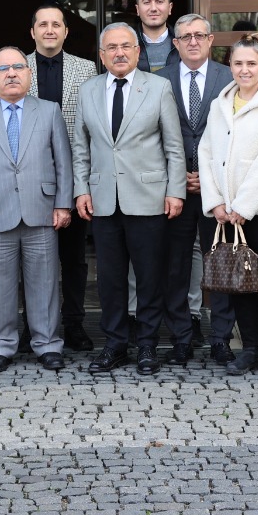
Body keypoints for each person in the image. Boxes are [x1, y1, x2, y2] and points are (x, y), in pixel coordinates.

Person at [72, 22, 185, 375]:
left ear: (138, 52)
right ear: (102, 55)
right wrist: (80, 189)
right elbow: (81, 147)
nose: (119, 53)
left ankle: (148, 344)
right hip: (103, 199)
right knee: (109, 279)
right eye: (112, 48)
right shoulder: (88, 89)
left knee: (150, 276)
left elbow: (174, 147)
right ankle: (116, 344)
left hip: (149, 197)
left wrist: (175, 191)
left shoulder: (159, 87)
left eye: (126, 46)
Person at [0, 46, 73, 374]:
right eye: (3, 68)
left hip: (42, 209)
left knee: (45, 282)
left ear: (29, 74)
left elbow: (63, 161)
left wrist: (64, 203)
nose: (11, 73)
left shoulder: (49, 111)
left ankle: (47, 343)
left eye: (18, 67)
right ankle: (0, 344)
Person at [200, 35, 258, 376]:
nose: (244, 69)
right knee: (239, 281)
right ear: (230, 66)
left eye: (251, 63)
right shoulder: (221, 104)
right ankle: (251, 348)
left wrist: (244, 205)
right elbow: (207, 153)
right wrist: (217, 203)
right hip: (228, 213)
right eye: (238, 63)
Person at [157, 13, 234, 363]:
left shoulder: (230, 79)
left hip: (217, 191)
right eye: (185, 36)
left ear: (210, 39)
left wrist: (208, 176)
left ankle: (221, 338)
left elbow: (238, 138)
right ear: (175, 43)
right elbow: (153, 138)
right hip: (174, 192)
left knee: (219, 265)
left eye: (199, 35)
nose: (192, 41)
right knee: (174, 269)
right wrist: (178, 177)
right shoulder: (158, 82)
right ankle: (181, 339)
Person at [25, 3, 97, 351]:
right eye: (43, 24)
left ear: (66, 32)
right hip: (27, 179)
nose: (50, 30)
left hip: (72, 177)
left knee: (73, 259)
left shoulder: (86, 69)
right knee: (32, 257)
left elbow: (89, 128)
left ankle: (74, 324)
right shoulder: (16, 67)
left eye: (57, 24)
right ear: (33, 31)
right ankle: (32, 325)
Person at [133, 0, 176, 72]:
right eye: (146, 2)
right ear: (137, 9)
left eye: (159, 1)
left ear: (170, 8)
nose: (153, 8)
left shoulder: (182, 42)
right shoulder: (126, 45)